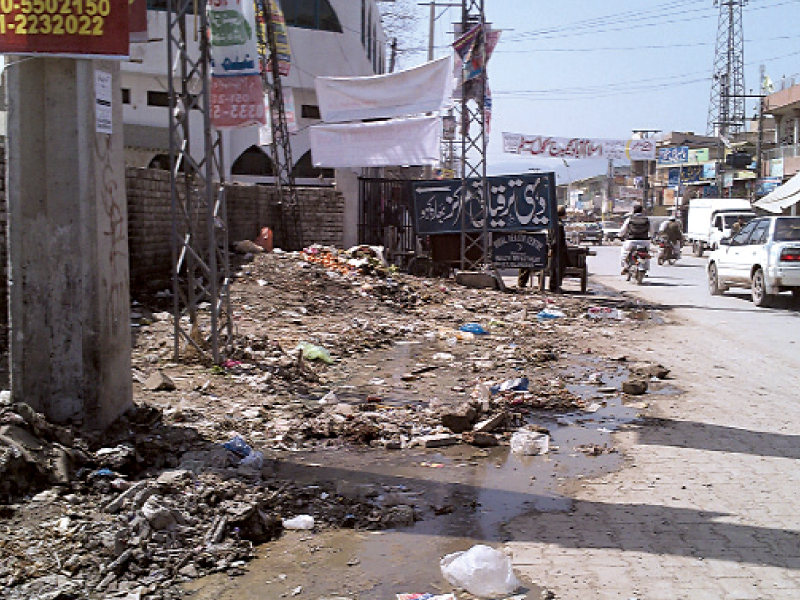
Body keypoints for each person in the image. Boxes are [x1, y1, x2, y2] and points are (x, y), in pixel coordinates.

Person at [619, 205, 650, 272]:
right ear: (642, 211)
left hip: (631, 241)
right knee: (646, 254)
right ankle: (646, 268)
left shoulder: (629, 219)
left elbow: (622, 230)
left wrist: (619, 235)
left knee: (624, 252)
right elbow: (652, 230)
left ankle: (625, 266)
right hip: (645, 241)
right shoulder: (647, 219)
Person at [548, 205, 568, 292]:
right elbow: (556, 239)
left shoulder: (553, 223)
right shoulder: (558, 225)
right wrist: (552, 248)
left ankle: (554, 286)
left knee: (555, 268)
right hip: (558, 250)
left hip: (556, 249)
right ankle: (554, 286)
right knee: (557, 268)